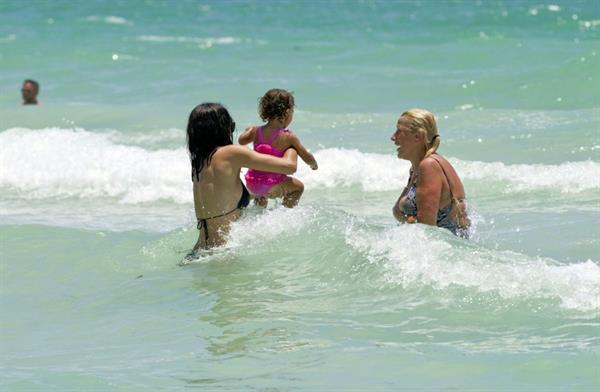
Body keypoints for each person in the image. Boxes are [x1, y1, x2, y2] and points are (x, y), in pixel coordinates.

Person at [187, 102, 298, 250]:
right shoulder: (231, 153)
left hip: (198, 251)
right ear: (224, 128)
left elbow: (225, 200)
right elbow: (289, 166)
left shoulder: (199, 164)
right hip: (223, 253)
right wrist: (291, 145)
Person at [391, 108, 470, 238]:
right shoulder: (416, 169)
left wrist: (409, 219)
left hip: (445, 253)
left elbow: (426, 230)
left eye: (399, 131)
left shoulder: (429, 166)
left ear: (418, 136)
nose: (393, 137)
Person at [238, 88, 318, 208]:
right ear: (287, 113)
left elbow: (241, 140)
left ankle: (259, 210)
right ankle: (285, 213)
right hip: (271, 184)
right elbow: (305, 155)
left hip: (252, 182)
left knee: (261, 199)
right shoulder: (288, 136)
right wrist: (313, 164)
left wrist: (248, 130)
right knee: (298, 187)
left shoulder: (256, 131)